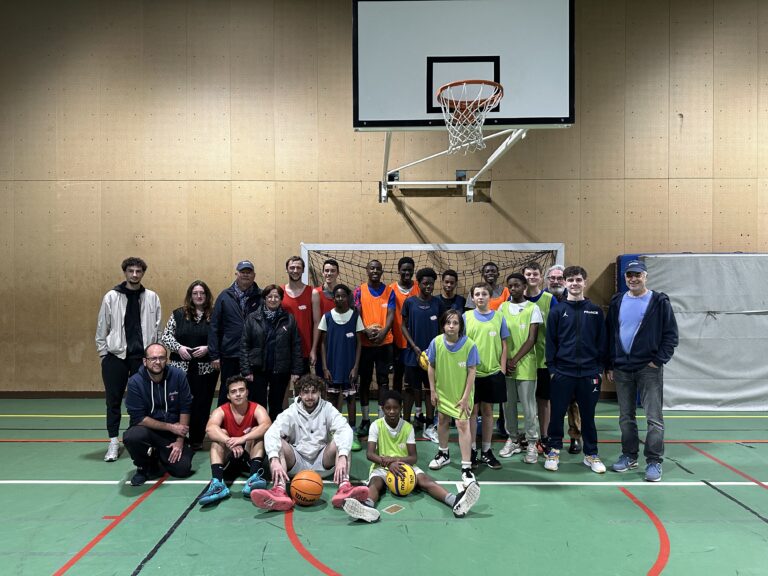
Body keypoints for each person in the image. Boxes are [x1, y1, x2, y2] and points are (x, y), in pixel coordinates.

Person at [342, 390, 480, 523]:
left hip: (405, 466)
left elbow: (413, 457)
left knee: (426, 481)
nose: (391, 411)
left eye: (395, 408)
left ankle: (455, 502)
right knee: (375, 483)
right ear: (382, 409)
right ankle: (367, 507)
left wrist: (395, 461)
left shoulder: (407, 427)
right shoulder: (376, 426)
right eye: (388, 408)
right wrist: (389, 464)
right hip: (382, 466)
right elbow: (370, 454)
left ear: (401, 408)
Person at [249, 374, 369, 511]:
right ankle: (279, 490)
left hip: (323, 463)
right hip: (296, 464)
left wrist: (342, 455)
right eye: (306, 392)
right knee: (278, 443)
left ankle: (344, 487)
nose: (310, 396)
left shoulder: (327, 408)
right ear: (300, 393)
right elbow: (271, 433)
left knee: (342, 440)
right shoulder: (291, 412)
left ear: (319, 393)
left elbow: (345, 429)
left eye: (313, 392)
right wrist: (274, 458)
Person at [606, 260, 678, 482]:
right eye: (629, 275)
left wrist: (657, 360)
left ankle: (654, 461)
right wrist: (609, 363)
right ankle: (629, 455)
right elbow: (610, 334)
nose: (633, 279)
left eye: (638, 275)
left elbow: (671, 335)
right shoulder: (617, 301)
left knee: (653, 418)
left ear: (645, 276)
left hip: (649, 368)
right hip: (622, 369)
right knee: (626, 417)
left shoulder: (659, 301)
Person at [96, 257, 162, 463]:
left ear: (143, 273)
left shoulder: (152, 297)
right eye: (131, 271)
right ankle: (113, 441)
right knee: (113, 401)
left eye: (138, 271)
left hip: (141, 359)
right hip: (116, 357)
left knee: (143, 400)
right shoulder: (111, 297)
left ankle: (138, 438)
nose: (134, 274)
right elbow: (101, 328)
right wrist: (104, 354)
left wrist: (154, 354)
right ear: (125, 272)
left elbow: (158, 329)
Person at [544, 266, 607, 474]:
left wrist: (598, 369)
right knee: (557, 415)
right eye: (570, 280)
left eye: (578, 280)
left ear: (584, 282)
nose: (574, 283)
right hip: (562, 372)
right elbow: (550, 343)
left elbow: (602, 342)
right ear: (564, 283)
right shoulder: (557, 311)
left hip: (589, 373)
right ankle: (553, 450)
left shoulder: (595, 311)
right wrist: (553, 369)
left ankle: (591, 454)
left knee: (588, 416)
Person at [123, 344, 194, 486]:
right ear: (145, 361)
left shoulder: (178, 376)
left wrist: (180, 440)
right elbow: (139, 418)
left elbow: (185, 408)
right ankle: (143, 467)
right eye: (153, 358)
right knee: (132, 437)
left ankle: (159, 456)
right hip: (147, 430)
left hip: (172, 434)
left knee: (182, 470)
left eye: (161, 358)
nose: (157, 362)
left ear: (166, 360)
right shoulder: (134, 382)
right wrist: (171, 427)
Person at [160, 280, 218, 450]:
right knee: (180, 403)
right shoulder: (178, 314)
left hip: (206, 369)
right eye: (195, 293)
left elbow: (222, 337)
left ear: (207, 296)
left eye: (202, 293)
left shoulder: (214, 315)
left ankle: (197, 439)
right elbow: (166, 337)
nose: (199, 296)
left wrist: (209, 348)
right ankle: (179, 436)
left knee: (202, 403)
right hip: (180, 369)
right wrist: (179, 348)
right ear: (190, 296)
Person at [198, 376, 272, 505]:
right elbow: (209, 429)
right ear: (228, 395)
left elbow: (267, 425)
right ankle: (217, 484)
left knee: (257, 430)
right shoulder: (221, 410)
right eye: (233, 391)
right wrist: (229, 441)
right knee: (220, 434)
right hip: (230, 456)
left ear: (247, 392)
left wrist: (242, 439)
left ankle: (253, 478)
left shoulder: (257, 408)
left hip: (250, 455)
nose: (238, 394)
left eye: (241, 390)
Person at [426, 309, 479, 486]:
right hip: (443, 392)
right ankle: (443, 453)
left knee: (462, 424)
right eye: (448, 322)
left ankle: (466, 467)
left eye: (455, 323)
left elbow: (472, 371)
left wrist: (465, 397)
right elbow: (431, 366)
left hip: (462, 394)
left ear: (460, 326)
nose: (451, 326)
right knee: (442, 420)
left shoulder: (469, 345)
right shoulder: (436, 342)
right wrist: (433, 390)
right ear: (442, 325)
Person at [240, 285, 303, 422]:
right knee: (258, 405)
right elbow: (244, 345)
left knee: (276, 405)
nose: (273, 299)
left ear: (281, 299)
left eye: (276, 297)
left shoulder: (289, 319)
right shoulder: (252, 318)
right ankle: (259, 436)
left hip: (280, 370)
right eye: (270, 296)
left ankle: (274, 435)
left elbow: (296, 345)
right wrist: (246, 370)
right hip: (258, 370)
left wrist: (296, 370)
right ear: (264, 298)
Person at [497, 273, 542, 464]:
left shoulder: (533, 308)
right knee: (508, 406)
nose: (513, 288)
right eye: (510, 286)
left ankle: (532, 443)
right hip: (506, 364)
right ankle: (513, 439)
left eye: (517, 285)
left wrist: (514, 360)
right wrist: (505, 361)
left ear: (524, 286)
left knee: (529, 406)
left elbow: (531, 339)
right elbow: (500, 336)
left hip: (525, 365)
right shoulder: (503, 307)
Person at [463, 283, 509, 470]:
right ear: (472, 298)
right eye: (477, 294)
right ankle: (472, 450)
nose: (480, 297)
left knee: (488, 412)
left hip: (492, 373)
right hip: (472, 374)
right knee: (472, 413)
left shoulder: (499, 317)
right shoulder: (466, 317)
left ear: (490, 297)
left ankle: (487, 451)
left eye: (484, 294)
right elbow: (462, 345)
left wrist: (502, 369)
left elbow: (504, 344)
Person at [209, 260, 262, 405]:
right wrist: (214, 354)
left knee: (253, 393)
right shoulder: (224, 296)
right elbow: (214, 327)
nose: (245, 275)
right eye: (242, 272)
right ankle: (223, 425)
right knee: (228, 392)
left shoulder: (261, 296)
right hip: (230, 352)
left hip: (253, 354)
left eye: (248, 272)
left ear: (254, 275)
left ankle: (252, 426)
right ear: (236, 274)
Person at [318, 283, 363, 451]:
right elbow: (322, 344)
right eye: (337, 296)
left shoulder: (354, 316)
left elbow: (359, 343)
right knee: (331, 398)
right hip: (332, 365)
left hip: (349, 366)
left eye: (343, 296)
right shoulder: (327, 317)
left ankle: (352, 431)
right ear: (333, 298)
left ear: (348, 297)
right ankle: (334, 431)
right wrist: (324, 367)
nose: (340, 298)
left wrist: (356, 366)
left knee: (351, 398)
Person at [400, 267, 443, 440]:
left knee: (429, 390)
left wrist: (437, 348)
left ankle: (430, 424)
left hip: (432, 355)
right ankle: (406, 424)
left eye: (431, 284)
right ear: (419, 284)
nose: (428, 286)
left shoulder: (437, 303)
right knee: (410, 389)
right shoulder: (410, 302)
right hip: (413, 354)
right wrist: (414, 346)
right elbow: (403, 326)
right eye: (425, 283)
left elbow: (442, 327)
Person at [354, 259, 395, 437]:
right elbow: (357, 313)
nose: (375, 271)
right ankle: (364, 419)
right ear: (367, 270)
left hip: (384, 344)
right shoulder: (358, 291)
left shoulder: (389, 292)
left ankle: (381, 421)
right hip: (365, 343)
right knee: (364, 381)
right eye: (372, 268)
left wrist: (383, 332)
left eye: (378, 268)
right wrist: (366, 331)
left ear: (382, 271)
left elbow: (391, 315)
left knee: (383, 381)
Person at [546, 264, 583, 455]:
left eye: (559, 278)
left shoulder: (580, 302)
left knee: (572, 402)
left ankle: (575, 436)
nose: (556, 281)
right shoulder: (543, 299)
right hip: (549, 360)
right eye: (552, 278)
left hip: (572, 362)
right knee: (547, 403)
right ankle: (549, 439)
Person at [523, 261, 558, 453]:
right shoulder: (517, 299)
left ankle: (544, 436)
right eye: (528, 274)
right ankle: (529, 436)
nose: (532, 277)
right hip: (523, 360)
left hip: (544, 359)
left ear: (540, 275)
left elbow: (556, 330)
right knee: (526, 401)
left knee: (544, 400)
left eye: (535, 274)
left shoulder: (549, 299)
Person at [282, 256, 313, 374]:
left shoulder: (311, 292)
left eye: (298, 267)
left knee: (304, 388)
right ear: (287, 269)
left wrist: (313, 349)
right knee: (282, 388)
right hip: (284, 349)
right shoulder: (279, 292)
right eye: (292, 267)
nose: (295, 270)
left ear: (303, 270)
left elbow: (316, 323)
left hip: (304, 349)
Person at [310, 258, 340, 370]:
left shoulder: (344, 294)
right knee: (323, 380)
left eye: (332, 270)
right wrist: (313, 349)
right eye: (326, 270)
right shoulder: (316, 293)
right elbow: (317, 322)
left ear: (338, 273)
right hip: (323, 344)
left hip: (340, 342)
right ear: (323, 273)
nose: (329, 273)